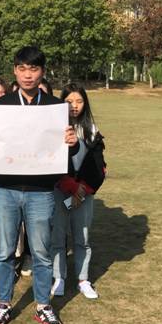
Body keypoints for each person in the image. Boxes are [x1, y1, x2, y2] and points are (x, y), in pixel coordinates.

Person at [0, 46, 78, 324]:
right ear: (15, 70)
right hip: (5, 190)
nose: (28, 75)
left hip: (41, 192)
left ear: (43, 72)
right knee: (4, 252)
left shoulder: (54, 107)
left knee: (41, 252)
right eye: (23, 68)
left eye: (34, 69)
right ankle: (3, 304)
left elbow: (65, 154)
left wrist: (72, 144)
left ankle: (43, 305)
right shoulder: (1, 106)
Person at [50, 83, 101, 300]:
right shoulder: (54, 128)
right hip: (60, 190)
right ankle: (58, 277)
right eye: (69, 101)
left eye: (79, 101)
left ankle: (83, 279)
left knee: (82, 237)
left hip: (83, 193)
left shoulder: (92, 130)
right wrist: (66, 184)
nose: (74, 106)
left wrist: (83, 190)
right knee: (58, 236)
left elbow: (98, 166)